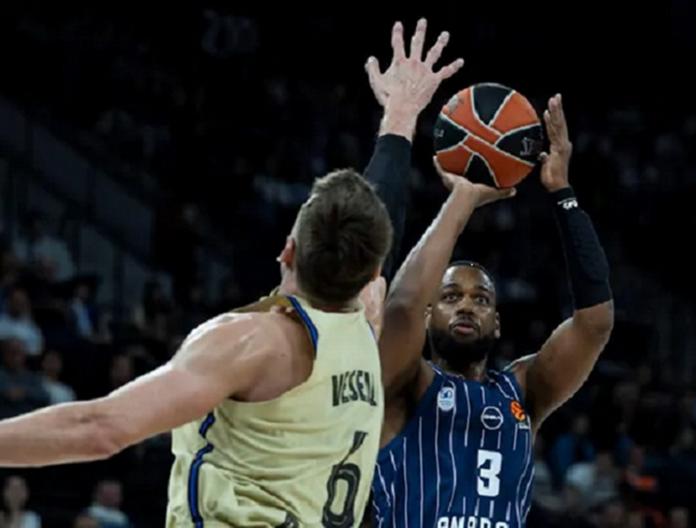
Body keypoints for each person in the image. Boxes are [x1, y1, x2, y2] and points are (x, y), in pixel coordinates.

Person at [0, 19, 463, 528]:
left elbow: (100, 428)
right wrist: (400, 118)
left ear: (287, 250)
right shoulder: (363, 326)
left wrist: (399, 113)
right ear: (372, 272)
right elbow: (378, 217)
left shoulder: (250, 343)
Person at [370, 94, 614, 527]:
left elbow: (595, 323)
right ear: (430, 315)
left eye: (481, 299)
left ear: (497, 323)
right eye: (451, 297)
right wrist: (463, 198)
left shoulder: (523, 391)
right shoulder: (404, 384)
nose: (467, 305)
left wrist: (562, 193)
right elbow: (403, 307)